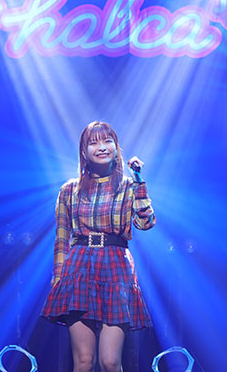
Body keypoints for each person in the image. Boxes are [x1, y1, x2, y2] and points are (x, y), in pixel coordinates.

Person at [41, 121, 156, 372]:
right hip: (79, 269)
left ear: (116, 147)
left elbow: (145, 223)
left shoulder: (129, 186)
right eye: (93, 143)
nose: (101, 147)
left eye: (107, 141)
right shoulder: (69, 190)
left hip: (115, 268)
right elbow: (62, 238)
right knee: (83, 362)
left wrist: (139, 181)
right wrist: (58, 279)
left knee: (110, 361)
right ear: (84, 152)